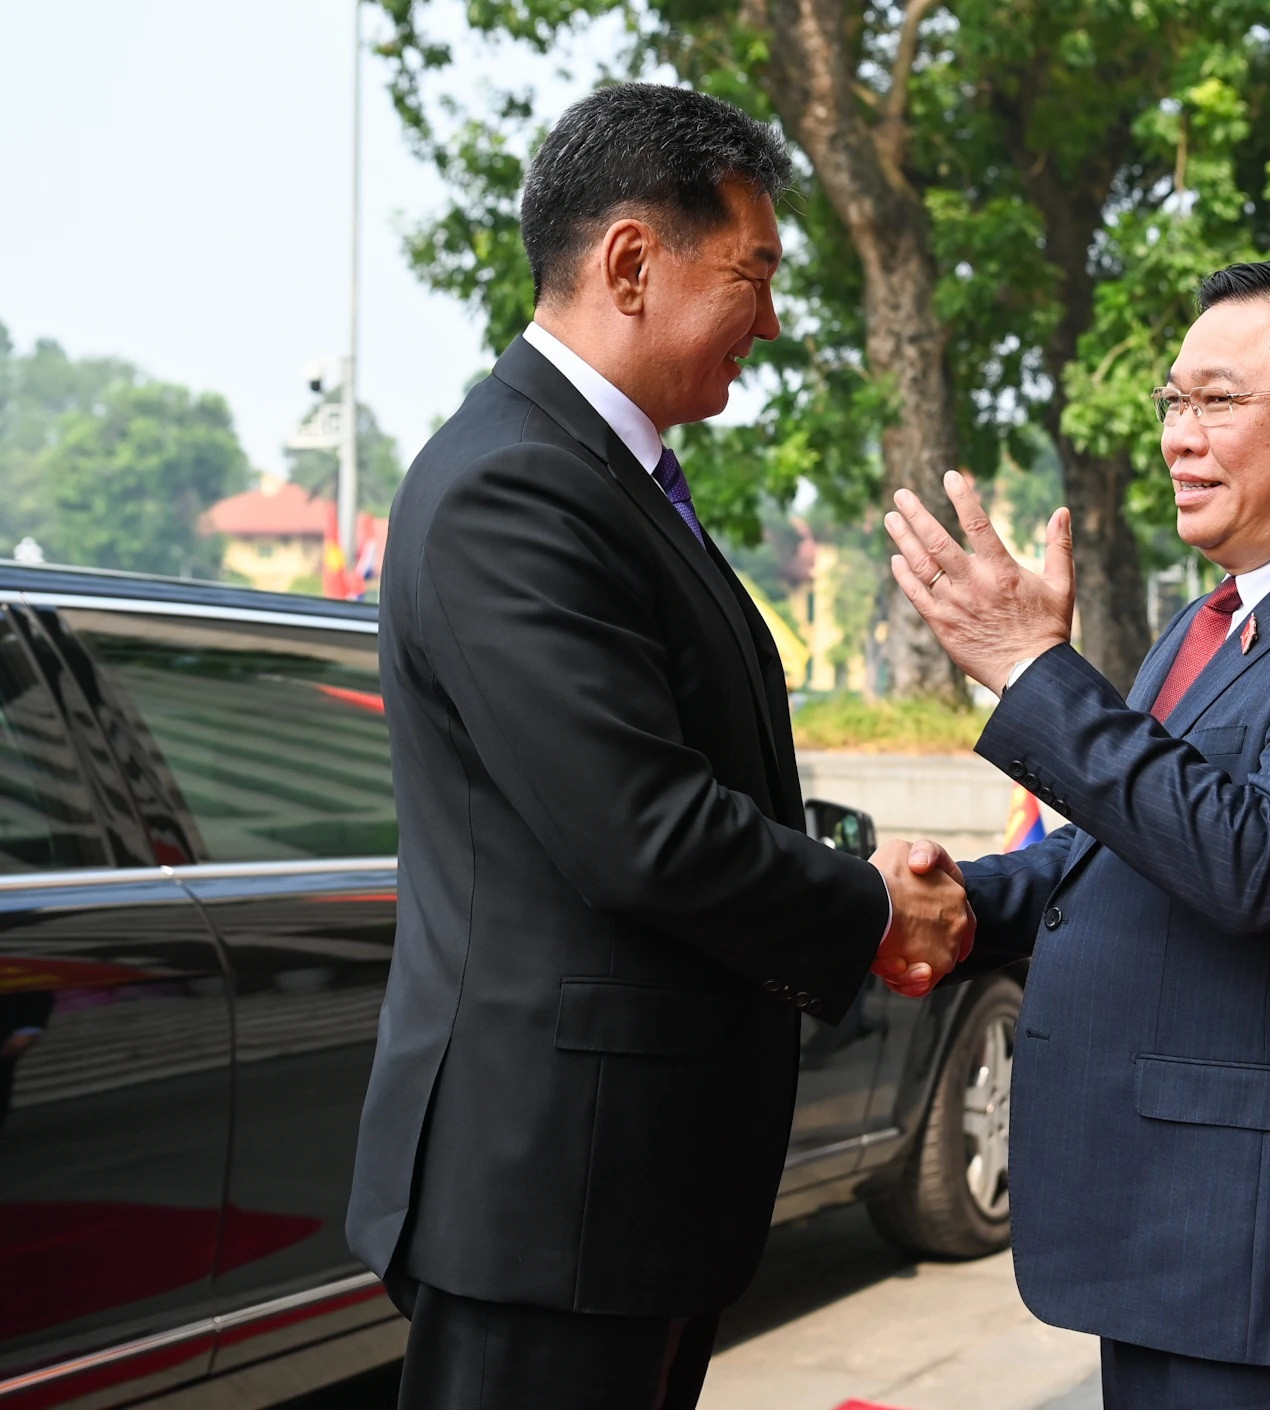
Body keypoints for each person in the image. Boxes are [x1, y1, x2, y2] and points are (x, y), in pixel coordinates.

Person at [345, 83, 973, 1410]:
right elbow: (642, 827)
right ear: (633, 262)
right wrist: (869, 907)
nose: (774, 320)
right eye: (753, 273)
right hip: (551, 1192)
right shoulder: (512, 486)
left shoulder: (606, 477)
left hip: (624, 1189)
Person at [881, 255, 1270, 1410]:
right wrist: (960, 897)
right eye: (1173, 402)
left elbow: (1259, 862)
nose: (1178, 438)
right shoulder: (1212, 617)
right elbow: (1132, 846)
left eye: (1217, 400)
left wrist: (1031, 673)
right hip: (1170, 1239)